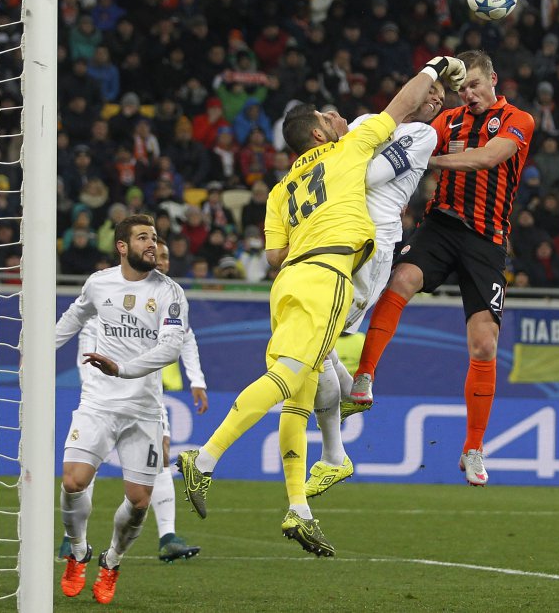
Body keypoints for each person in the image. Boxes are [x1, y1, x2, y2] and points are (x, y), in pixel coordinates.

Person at [174, 57, 467, 556]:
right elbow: (398, 108)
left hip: (288, 279)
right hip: (332, 272)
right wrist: (435, 65)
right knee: (290, 377)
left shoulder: (280, 188)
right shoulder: (351, 147)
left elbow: (272, 255)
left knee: (303, 384)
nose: (339, 118)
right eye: (329, 117)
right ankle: (205, 458)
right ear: (318, 133)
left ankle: (300, 506)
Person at [350, 50, 536, 487]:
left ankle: (473, 448)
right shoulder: (447, 121)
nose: (467, 94)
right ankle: (365, 374)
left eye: (475, 85)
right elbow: (402, 132)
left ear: (493, 79)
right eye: (462, 88)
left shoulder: (518, 120)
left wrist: (426, 160)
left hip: (487, 239)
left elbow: (487, 158)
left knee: (485, 345)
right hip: (440, 224)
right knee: (402, 279)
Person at [307, 81, 446, 498]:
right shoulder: (371, 121)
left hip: (375, 248)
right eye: (432, 90)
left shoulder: (422, 134)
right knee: (315, 339)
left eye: (442, 98)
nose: (437, 100)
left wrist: (348, 147)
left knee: (315, 341)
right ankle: (347, 409)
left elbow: (365, 174)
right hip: (341, 239)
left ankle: (335, 453)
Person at [55, 214, 192, 604]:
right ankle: (77, 549)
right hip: (98, 403)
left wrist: (123, 369)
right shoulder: (99, 283)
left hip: (143, 410)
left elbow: (170, 348)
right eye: (143, 237)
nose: (152, 244)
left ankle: (112, 560)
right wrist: (38, 350)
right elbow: (74, 316)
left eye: (154, 237)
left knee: (139, 501)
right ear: (122, 246)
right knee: (73, 482)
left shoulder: (170, 292)